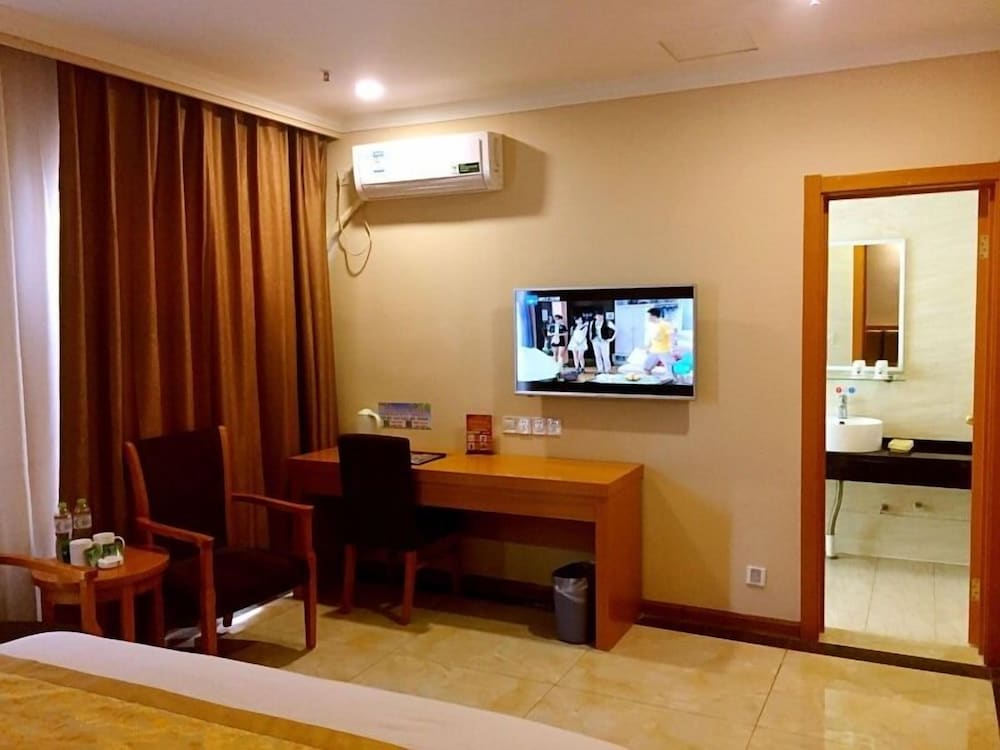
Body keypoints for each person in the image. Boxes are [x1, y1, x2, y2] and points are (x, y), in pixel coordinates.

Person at [643, 307, 675, 374]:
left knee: (671, 369)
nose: (648, 318)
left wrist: (671, 348)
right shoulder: (652, 326)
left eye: (649, 316)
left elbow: (671, 336)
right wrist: (648, 347)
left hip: (664, 350)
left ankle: (673, 378)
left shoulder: (665, 324)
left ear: (653, 316)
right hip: (654, 350)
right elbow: (651, 338)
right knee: (646, 367)